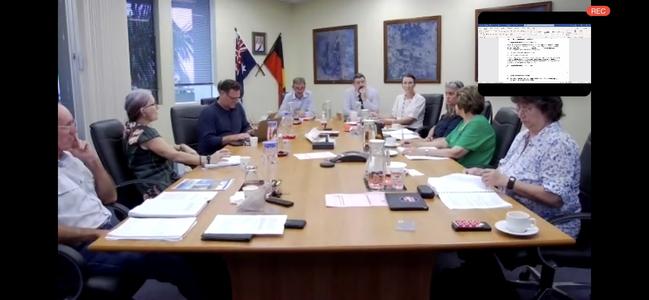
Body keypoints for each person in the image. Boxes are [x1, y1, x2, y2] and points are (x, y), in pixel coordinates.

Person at [58, 103, 223, 299]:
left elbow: (110, 197)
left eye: (73, 123)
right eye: (68, 125)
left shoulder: (71, 159)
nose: (75, 130)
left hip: (113, 228)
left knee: (195, 249)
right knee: (173, 260)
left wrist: (93, 162)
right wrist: (94, 233)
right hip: (85, 245)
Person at [466, 96, 581, 238]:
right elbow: (505, 171)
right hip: (513, 211)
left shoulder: (559, 144)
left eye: (528, 108)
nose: (521, 113)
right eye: (519, 108)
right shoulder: (523, 136)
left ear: (548, 110)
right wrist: (484, 173)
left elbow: (554, 197)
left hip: (547, 225)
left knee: (474, 237)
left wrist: (509, 182)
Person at [123, 89, 230, 199]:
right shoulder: (145, 134)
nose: (157, 108)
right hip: (158, 189)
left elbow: (159, 149)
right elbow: (174, 156)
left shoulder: (132, 128)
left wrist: (181, 147)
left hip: (158, 183)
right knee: (214, 192)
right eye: (153, 104)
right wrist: (208, 159)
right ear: (143, 110)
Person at [406, 85, 495, 168]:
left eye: (457, 103)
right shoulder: (465, 121)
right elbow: (445, 142)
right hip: (454, 165)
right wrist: (416, 144)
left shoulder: (477, 123)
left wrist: (423, 152)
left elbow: (456, 152)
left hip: (466, 170)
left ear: (464, 104)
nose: (454, 105)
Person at [197, 79, 254, 155]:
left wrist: (249, 132)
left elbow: (245, 126)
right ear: (222, 93)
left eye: (238, 98)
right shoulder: (208, 113)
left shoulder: (238, 107)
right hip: (216, 155)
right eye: (233, 98)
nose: (236, 101)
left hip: (236, 151)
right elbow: (207, 141)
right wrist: (232, 138)